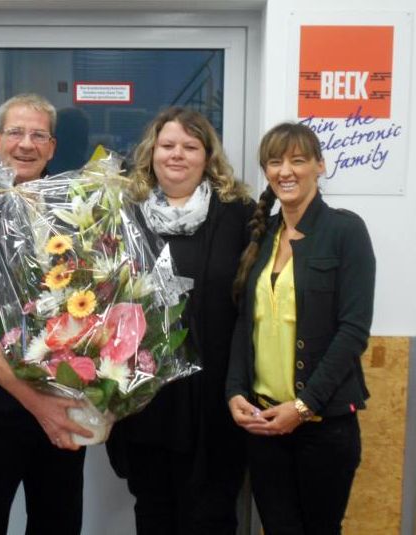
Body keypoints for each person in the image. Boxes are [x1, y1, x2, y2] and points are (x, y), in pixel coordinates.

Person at [0, 93, 93, 535]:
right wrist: (36, 402)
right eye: (16, 133)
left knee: (59, 524)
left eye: (39, 135)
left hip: (61, 405)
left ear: (52, 147)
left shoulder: (71, 214)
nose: (26, 144)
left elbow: (93, 301)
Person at [106, 106, 255, 535]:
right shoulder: (125, 212)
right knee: (153, 510)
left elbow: (252, 306)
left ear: (208, 156)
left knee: (211, 513)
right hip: (147, 398)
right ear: (151, 152)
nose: (177, 154)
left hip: (215, 396)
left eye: (190, 147)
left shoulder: (238, 214)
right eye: (167, 145)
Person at [226, 122, 376, 535]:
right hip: (264, 421)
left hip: (323, 426)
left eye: (298, 160)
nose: (285, 171)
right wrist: (235, 391)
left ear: (319, 166)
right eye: (275, 162)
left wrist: (304, 406)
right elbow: (245, 323)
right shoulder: (263, 235)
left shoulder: (346, 231)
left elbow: (353, 331)